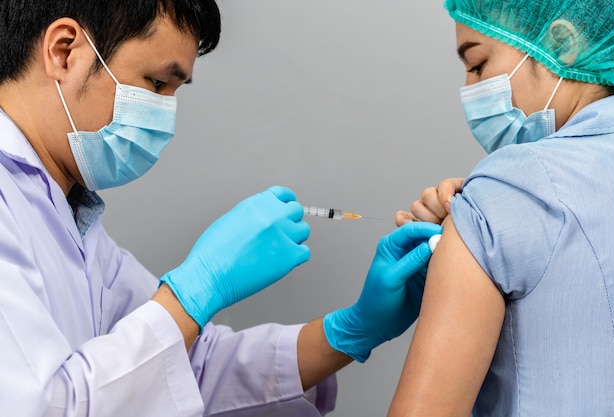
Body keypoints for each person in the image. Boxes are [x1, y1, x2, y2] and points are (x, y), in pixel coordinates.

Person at [0, 1, 444, 416]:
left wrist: (351, 331)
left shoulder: (69, 215)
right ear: (64, 52)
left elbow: (189, 366)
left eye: (174, 90)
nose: (165, 114)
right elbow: (46, 406)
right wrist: (195, 290)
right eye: (156, 83)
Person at [389, 0, 614, 415]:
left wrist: (486, 211)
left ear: (562, 43)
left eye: (478, 65)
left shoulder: (504, 192)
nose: (469, 90)